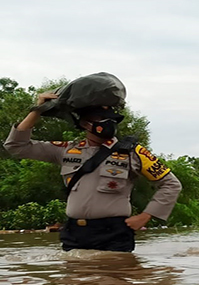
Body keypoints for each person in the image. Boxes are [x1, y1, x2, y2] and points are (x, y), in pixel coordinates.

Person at [4, 92, 182, 252]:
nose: (108, 123)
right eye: (101, 118)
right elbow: (16, 146)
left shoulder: (133, 152)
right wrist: (38, 110)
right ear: (85, 123)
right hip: (74, 233)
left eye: (111, 118)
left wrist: (145, 216)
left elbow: (171, 184)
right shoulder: (66, 150)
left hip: (113, 234)